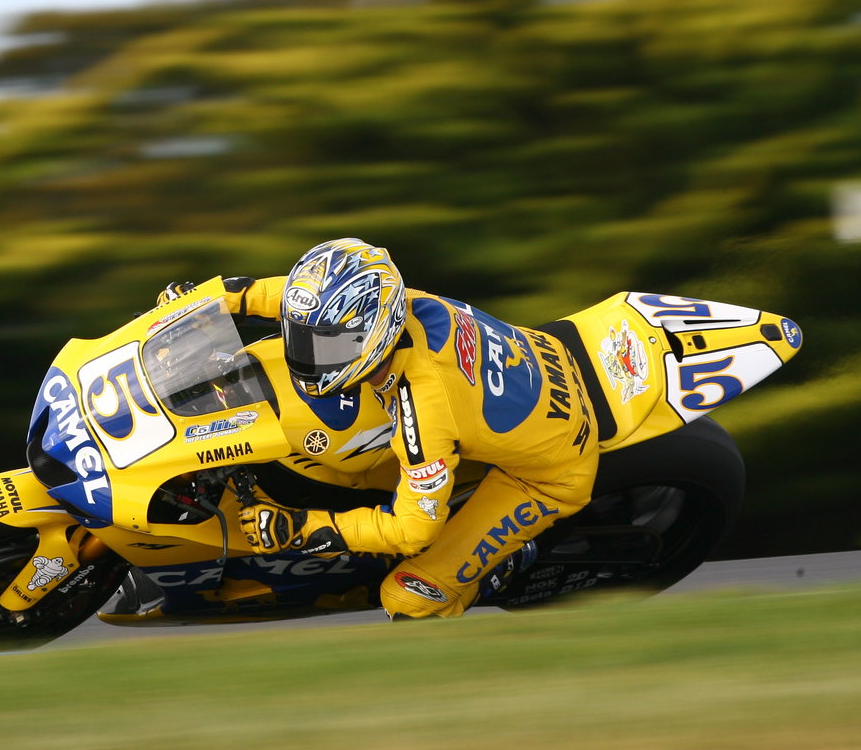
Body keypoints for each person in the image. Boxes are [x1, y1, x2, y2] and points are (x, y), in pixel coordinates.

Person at [176, 237, 600, 618]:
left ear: (374, 335)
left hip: (547, 474)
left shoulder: (426, 409)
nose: (307, 355)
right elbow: (284, 297)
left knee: (407, 597)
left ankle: (509, 560)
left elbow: (411, 530)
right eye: (301, 337)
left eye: (326, 345)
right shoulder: (392, 302)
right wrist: (207, 302)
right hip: (539, 363)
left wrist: (303, 527)